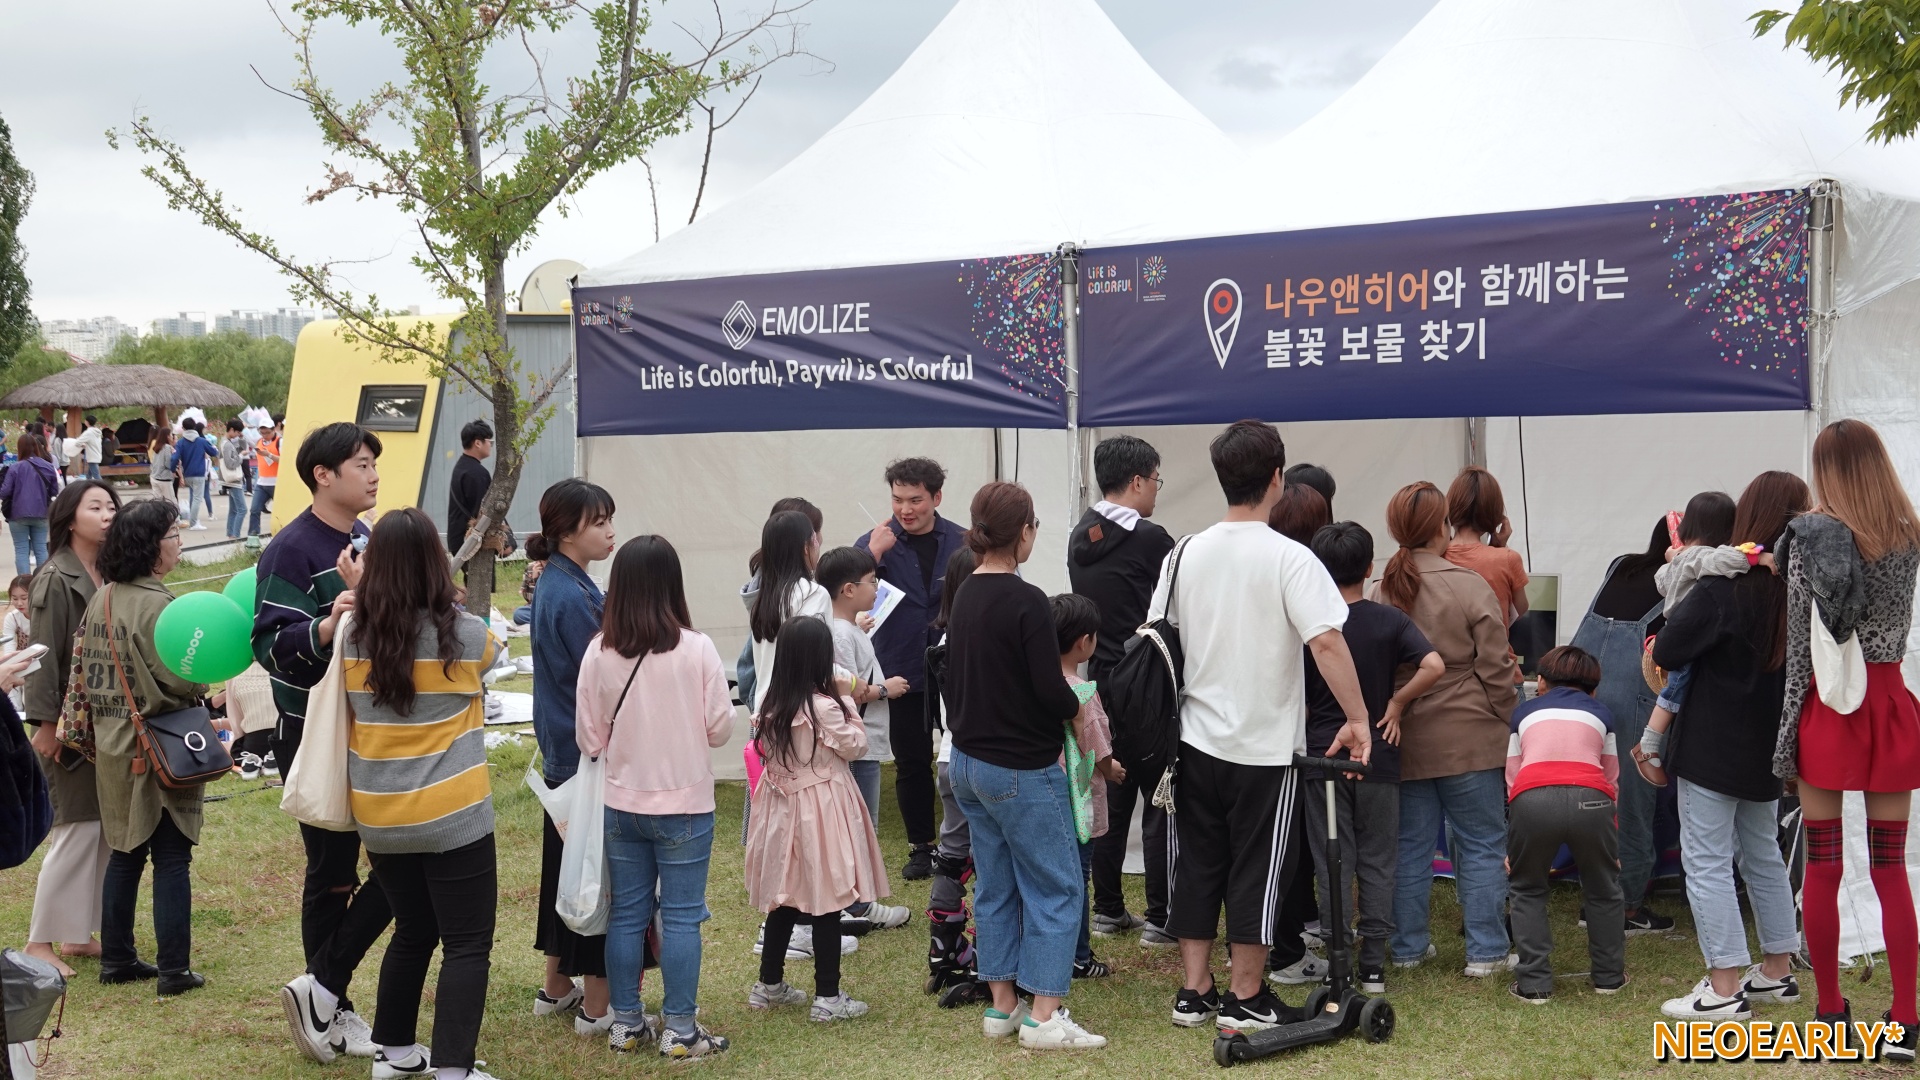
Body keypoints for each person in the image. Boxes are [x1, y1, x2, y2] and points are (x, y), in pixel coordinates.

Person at [1150, 421, 1367, 1032]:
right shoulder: (1291, 557)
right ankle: (1245, 996)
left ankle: (1194, 991)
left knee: (1198, 863)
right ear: (1277, 477)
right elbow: (1326, 641)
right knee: (1260, 869)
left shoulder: (1184, 552)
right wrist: (1357, 718)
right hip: (1265, 746)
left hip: (1193, 738)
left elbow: (1160, 634)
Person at [341, 507, 501, 1080]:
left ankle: (395, 1053)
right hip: (453, 813)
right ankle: (454, 1068)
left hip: (379, 812)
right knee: (467, 944)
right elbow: (497, 655)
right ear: (437, 562)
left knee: (412, 930)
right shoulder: (465, 635)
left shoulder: (352, 635)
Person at [1777, 420, 1920, 1058]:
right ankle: (1906, 1020)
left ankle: (1830, 1012)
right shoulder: (1909, 536)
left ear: (1825, 470)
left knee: (1824, 866)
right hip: (1888, 703)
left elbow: (1800, 651)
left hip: (1829, 707)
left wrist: (1786, 735)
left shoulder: (1809, 539)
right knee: (1890, 869)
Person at [947, 480, 1106, 1049]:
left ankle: (1003, 1007)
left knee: (995, 886)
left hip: (967, 763)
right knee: (1058, 886)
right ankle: (1044, 1016)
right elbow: (1048, 688)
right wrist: (1076, 706)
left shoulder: (965, 592)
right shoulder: (1027, 599)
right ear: (1024, 531)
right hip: (1019, 766)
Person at [1652, 471, 1808, 1021]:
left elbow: (1667, 648)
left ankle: (1722, 988)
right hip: (1770, 748)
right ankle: (1776, 971)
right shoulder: (1799, 591)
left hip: (1711, 747)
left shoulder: (1723, 587)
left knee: (1707, 862)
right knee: (1762, 854)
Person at [577, 534, 734, 1060]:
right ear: (673, 583)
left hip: (622, 804)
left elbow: (588, 738)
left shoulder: (599, 651)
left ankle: (625, 1023)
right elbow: (719, 729)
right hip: (686, 804)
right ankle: (681, 1030)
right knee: (683, 916)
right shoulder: (697, 648)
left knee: (627, 914)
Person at [263, 422, 388, 1063]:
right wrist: (326, 624)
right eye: (361, 463)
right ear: (323, 474)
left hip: (376, 729)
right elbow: (270, 647)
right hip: (315, 733)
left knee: (397, 864)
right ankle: (329, 1006)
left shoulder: (365, 537)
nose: (373, 474)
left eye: (373, 463)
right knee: (334, 872)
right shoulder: (290, 549)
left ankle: (321, 991)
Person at [1371, 480, 1517, 977]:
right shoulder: (1468, 584)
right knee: (1481, 844)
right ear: (1441, 526)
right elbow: (1497, 666)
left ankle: (1408, 949)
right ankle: (1486, 952)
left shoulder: (1381, 588)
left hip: (1404, 736)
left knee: (1409, 847)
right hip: (1471, 736)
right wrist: (1502, 717)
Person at [81, 496, 216, 995]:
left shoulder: (103, 596)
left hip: (113, 742)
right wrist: (204, 682)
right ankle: (174, 971)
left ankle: (117, 958)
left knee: (125, 852)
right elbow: (177, 679)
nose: (179, 542)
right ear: (152, 547)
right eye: (174, 534)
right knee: (172, 857)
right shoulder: (159, 605)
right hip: (158, 744)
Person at [1302, 522, 1443, 995]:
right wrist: (1397, 703)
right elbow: (1434, 665)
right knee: (1380, 859)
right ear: (1369, 569)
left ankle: (1337, 960)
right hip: (1378, 752)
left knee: (1331, 860)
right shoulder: (1390, 620)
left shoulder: (1310, 625)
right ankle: (1373, 965)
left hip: (1322, 756)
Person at [744, 617, 890, 1024]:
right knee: (828, 896)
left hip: (780, 807)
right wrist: (846, 699)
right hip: (820, 806)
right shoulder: (825, 707)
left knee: (786, 894)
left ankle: (768, 984)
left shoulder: (770, 701)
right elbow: (856, 745)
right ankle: (828, 995)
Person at [1067, 435, 1175, 943]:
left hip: (1099, 679)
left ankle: (1108, 907)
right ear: (1136, 481)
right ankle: (1161, 917)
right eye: (1155, 480)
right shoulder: (1152, 539)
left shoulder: (1080, 534)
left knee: (1110, 788)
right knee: (1159, 795)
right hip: (1146, 679)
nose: (1155, 489)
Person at [524, 478, 620, 1034]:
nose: (610, 531)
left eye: (610, 519)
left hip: (563, 750)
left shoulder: (561, 581)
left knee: (566, 870)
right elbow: (605, 679)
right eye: (599, 522)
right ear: (565, 531)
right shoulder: (572, 594)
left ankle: (557, 987)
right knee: (591, 878)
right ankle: (597, 1007)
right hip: (581, 755)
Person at [18, 480, 119, 980]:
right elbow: (41, 657)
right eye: (95, 506)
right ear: (69, 517)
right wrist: (45, 725)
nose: (107, 514)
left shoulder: (108, 571)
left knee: (100, 828)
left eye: (111, 506)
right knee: (75, 829)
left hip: (102, 724)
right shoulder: (55, 577)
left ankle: (78, 933)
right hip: (66, 724)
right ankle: (39, 942)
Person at [855, 457, 969, 880]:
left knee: (966, 753)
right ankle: (921, 846)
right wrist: (872, 553)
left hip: (956, 666)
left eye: (915, 500)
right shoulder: (875, 542)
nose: (905, 509)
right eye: (898, 499)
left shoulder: (962, 540)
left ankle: (969, 841)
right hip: (900, 666)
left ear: (936, 497)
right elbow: (841, 589)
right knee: (912, 760)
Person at [1568, 516, 1679, 936]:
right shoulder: (1677, 581)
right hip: (1634, 705)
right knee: (1632, 806)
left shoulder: (1621, 565)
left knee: (1588, 799)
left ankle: (1593, 896)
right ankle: (1624, 908)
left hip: (1581, 697)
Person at [1504, 645, 1627, 1004]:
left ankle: (1534, 984)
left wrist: (1514, 842)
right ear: (1593, 688)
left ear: (1541, 681)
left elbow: (1512, 778)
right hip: (1593, 798)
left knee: (1527, 888)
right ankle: (1609, 978)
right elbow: (1611, 779)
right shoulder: (1602, 714)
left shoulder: (1523, 713)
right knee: (1603, 888)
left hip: (1531, 799)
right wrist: (1611, 841)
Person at [1634, 492, 1764, 786]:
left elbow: (1662, 583)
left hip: (1678, 632)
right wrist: (1759, 557)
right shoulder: (1703, 556)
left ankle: (1651, 744)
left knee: (1677, 688)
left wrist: (1672, 560)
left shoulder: (1684, 558)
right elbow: (1730, 560)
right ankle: (1648, 744)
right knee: (1675, 689)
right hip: (1690, 638)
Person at [1264, 478, 1335, 985]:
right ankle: (1286, 949)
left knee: (1254, 850)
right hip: (1291, 730)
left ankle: (1262, 943)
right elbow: (1323, 649)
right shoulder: (1306, 573)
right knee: (1288, 847)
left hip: (1242, 730)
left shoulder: (1255, 565)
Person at [1048, 592, 1122, 981]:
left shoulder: (1034, 684)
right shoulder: (1082, 692)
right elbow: (1095, 745)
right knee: (1076, 877)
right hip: (1077, 800)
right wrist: (1112, 770)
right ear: (1085, 642)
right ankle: (1077, 956)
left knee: (1046, 877)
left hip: (1040, 793)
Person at [924, 547, 985, 1005]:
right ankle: (989, 957)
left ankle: (943, 949)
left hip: (948, 757)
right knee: (991, 862)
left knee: (952, 855)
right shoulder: (981, 636)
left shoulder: (945, 637)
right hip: (982, 759)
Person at [815, 546, 908, 829]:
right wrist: (885, 689)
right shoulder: (841, 635)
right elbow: (845, 690)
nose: (877, 588)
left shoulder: (846, 628)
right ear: (849, 590)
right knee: (862, 824)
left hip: (862, 742)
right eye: (872, 581)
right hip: (857, 744)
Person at [748, 510, 830, 715]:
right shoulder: (813, 593)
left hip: (766, 711)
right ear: (805, 547)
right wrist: (853, 682)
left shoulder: (764, 597)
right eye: (815, 538)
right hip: (803, 712)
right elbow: (815, 658)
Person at [1443, 466, 1529, 627]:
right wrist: (1500, 548)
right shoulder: (1508, 559)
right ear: (1495, 513)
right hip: (1493, 643)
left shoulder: (1436, 557)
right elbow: (1521, 609)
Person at [446, 418, 515, 594]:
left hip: (460, 538)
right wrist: (506, 541)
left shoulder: (462, 467)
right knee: (478, 592)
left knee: (472, 588)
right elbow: (485, 512)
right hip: (472, 542)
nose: (491, 445)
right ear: (478, 443)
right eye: (489, 441)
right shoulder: (476, 473)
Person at [1, 433, 60, 575]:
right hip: (42, 513)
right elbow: (54, 491)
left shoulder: (15, 468)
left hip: (17, 514)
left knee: (21, 550)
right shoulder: (48, 466)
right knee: (41, 549)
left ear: (19, 448)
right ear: (36, 447)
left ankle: (23, 584)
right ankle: (42, 581)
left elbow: (4, 492)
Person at [223, 662, 277, 781]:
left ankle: (253, 762)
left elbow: (235, 720)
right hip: (288, 739)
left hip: (253, 745)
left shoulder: (234, 672)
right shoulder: (290, 664)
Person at [172, 420, 214, 531]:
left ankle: (194, 520)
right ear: (194, 427)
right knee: (197, 499)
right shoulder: (201, 441)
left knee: (193, 496)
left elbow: (175, 457)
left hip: (187, 474)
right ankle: (194, 523)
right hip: (199, 474)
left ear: (183, 428)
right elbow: (213, 452)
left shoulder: (181, 442)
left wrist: (172, 469)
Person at [250, 418, 281, 538]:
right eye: (262, 433)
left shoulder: (280, 441)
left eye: (267, 433)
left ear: (273, 430)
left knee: (279, 512)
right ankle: (253, 535)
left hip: (277, 482)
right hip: (262, 482)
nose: (265, 435)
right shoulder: (259, 442)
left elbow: (284, 460)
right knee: (254, 509)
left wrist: (269, 455)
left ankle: (281, 533)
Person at [219, 419, 250, 539]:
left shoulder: (226, 442)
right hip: (234, 480)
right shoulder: (227, 445)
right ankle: (235, 535)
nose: (238, 435)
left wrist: (242, 438)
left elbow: (240, 448)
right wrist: (241, 456)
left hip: (230, 480)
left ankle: (231, 534)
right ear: (231, 430)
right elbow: (230, 463)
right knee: (242, 509)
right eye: (237, 432)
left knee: (234, 510)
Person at [149, 429, 178, 503]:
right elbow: (168, 464)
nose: (172, 436)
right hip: (164, 478)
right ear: (167, 436)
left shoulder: (157, 446)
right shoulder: (167, 447)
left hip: (154, 477)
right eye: (171, 434)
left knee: (158, 502)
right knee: (171, 502)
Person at [74, 416, 102, 482]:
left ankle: (104, 487)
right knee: (89, 475)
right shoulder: (97, 432)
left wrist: (82, 445)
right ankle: (87, 486)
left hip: (92, 457)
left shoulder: (88, 432)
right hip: (97, 455)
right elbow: (93, 443)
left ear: (87, 422)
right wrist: (85, 445)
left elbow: (78, 442)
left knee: (96, 476)